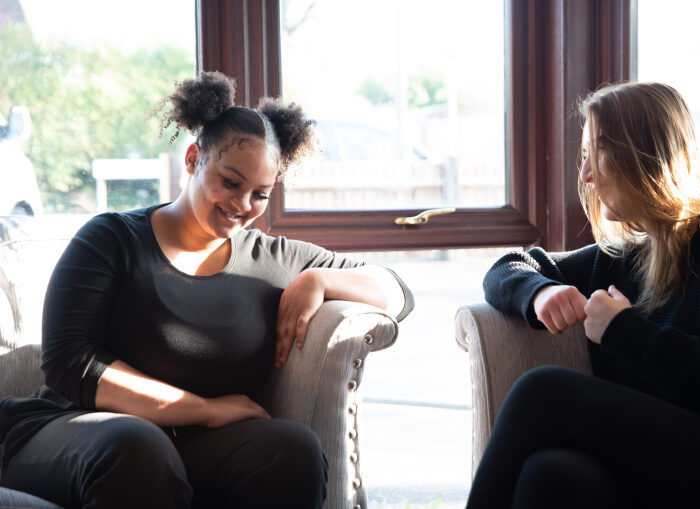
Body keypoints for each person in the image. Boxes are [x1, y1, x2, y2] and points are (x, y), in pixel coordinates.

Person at [0, 71, 414, 509]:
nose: (242, 206)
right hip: (76, 433)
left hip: (191, 447)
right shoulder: (112, 239)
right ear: (194, 157)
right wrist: (202, 408)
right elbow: (70, 363)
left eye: (260, 194)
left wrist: (320, 278)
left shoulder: (273, 259)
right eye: (231, 182)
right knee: (138, 446)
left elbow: (397, 290)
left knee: (293, 450)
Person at [466, 82, 700, 509]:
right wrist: (540, 292)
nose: (585, 175)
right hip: (659, 470)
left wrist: (625, 332)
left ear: (646, 153)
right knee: (549, 475)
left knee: (544, 392)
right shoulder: (629, 254)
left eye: (596, 153)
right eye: (583, 156)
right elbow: (506, 268)